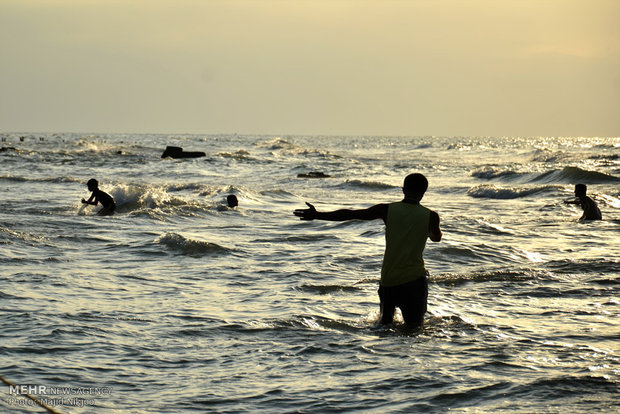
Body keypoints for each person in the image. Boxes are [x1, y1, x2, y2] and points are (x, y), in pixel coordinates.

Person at [294, 173, 442, 328]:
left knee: (384, 327)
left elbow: (350, 214)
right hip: (414, 281)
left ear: (403, 189)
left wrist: (317, 215)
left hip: (389, 280)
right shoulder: (430, 216)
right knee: (415, 329)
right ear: (424, 192)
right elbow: (436, 238)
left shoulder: (387, 210)